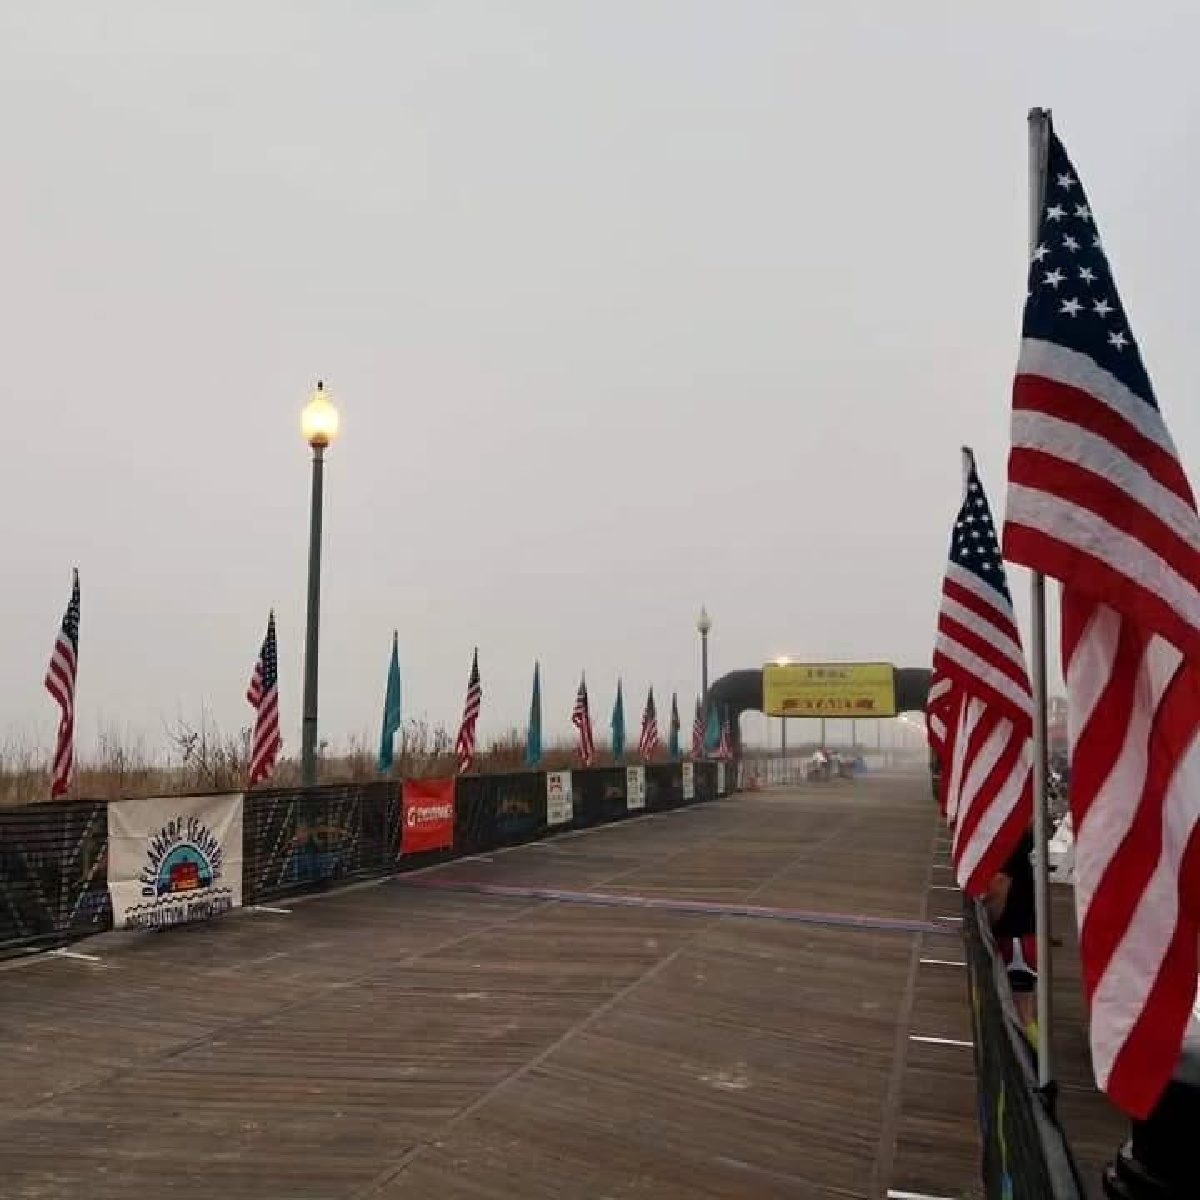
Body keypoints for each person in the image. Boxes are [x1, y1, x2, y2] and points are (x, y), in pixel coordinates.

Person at [984, 828, 1039, 1047]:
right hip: (1027, 935)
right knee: (1026, 1012)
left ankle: (1037, 1070)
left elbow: (999, 887)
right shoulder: (1025, 837)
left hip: (1013, 940)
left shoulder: (1010, 839)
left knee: (1021, 1016)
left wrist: (988, 927)